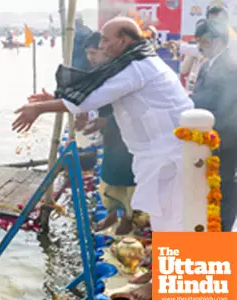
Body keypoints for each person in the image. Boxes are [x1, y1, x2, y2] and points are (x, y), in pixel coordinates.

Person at [13, 17, 194, 299]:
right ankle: (159, 275)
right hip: (157, 155)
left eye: (107, 39)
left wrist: (42, 108)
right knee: (162, 220)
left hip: (170, 155)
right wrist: (54, 99)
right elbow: (102, 100)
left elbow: (93, 97)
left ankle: (160, 287)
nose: (103, 45)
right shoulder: (133, 63)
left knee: (173, 223)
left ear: (124, 40)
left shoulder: (138, 67)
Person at [73, 31, 138, 236]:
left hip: (128, 135)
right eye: (88, 54)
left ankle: (129, 218)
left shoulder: (123, 71)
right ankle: (112, 213)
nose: (90, 58)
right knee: (108, 175)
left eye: (94, 52)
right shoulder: (100, 71)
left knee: (128, 178)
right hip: (112, 134)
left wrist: (102, 121)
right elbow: (87, 96)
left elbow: (129, 108)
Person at [191, 19, 237, 232]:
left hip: (224, 140)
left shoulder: (230, 66)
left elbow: (226, 107)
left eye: (204, 42)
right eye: (198, 41)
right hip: (208, 138)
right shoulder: (207, 63)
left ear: (218, 40)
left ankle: (222, 238)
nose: (200, 47)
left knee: (224, 189)